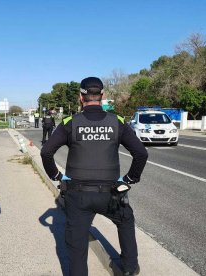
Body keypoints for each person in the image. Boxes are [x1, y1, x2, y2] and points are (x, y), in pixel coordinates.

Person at [40, 77, 148, 276]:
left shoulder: (70, 123)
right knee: (125, 220)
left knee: (77, 245)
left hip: (78, 195)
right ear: (103, 96)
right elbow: (141, 153)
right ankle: (130, 268)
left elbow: (46, 152)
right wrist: (129, 180)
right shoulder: (117, 122)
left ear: (81, 97)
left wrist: (57, 176)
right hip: (112, 194)